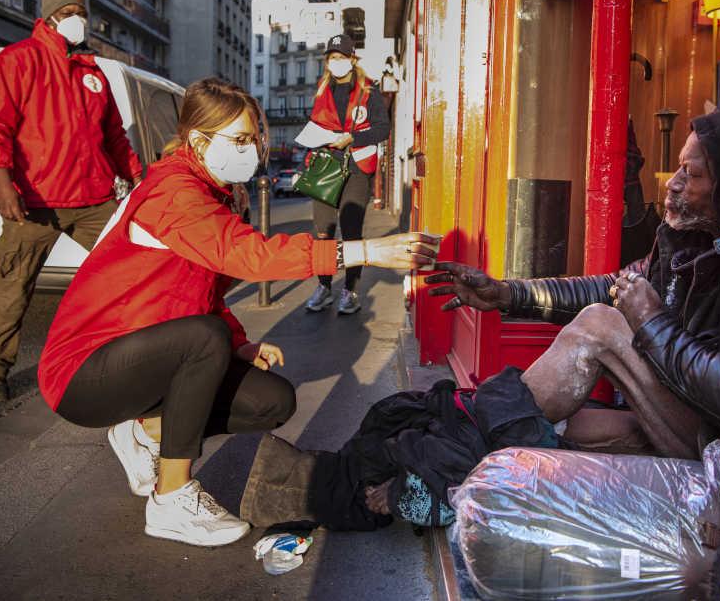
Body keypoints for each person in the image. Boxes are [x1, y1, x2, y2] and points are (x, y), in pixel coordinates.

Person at [427, 108, 720, 599]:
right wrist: (509, 294)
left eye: (691, 174)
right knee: (566, 433)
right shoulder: (701, 231)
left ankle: (450, 455)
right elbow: (616, 287)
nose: (673, 184)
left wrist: (652, 324)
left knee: (598, 327)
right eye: (678, 167)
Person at [36, 78, 436, 547]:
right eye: (241, 139)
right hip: (83, 372)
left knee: (271, 400)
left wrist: (239, 342)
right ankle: (172, 500)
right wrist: (364, 250)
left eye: (256, 138)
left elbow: (202, 287)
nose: (254, 150)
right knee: (204, 340)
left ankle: (145, 431)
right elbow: (249, 256)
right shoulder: (175, 191)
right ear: (200, 141)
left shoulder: (211, 189)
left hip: (144, 353)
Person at [0, 0, 142, 403]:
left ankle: (135, 354)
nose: (76, 18)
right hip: (36, 201)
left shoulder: (92, 71)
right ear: (48, 17)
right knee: (13, 287)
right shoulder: (18, 61)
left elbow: (115, 137)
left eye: (80, 10)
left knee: (130, 271)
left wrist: (137, 180)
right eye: (67, 11)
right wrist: (2, 181)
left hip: (94, 198)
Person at [304, 34, 391, 315]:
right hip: (327, 166)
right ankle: (324, 287)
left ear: (353, 59)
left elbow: (382, 129)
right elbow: (315, 124)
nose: (336, 62)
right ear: (327, 61)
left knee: (351, 231)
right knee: (323, 232)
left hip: (356, 167)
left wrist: (351, 137)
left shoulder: (369, 91)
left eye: (341, 57)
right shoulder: (321, 90)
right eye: (332, 58)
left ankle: (350, 290)